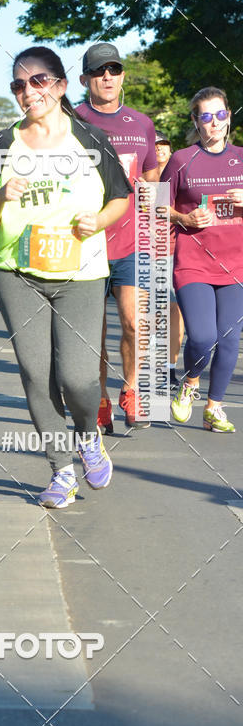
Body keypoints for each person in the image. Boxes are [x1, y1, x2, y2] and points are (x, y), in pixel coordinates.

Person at [0, 46, 131, 508]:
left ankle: (87, 436)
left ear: (60, 86)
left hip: (80, 273)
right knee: (35, 375)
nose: (29, 92)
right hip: (18, 274)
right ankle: (61, 472)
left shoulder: (90, 138)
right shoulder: (4, 145)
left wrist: (98, 223)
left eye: (38, 81)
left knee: (79, 379)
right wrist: (2, 195)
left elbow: (120, 197)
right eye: (19, 85)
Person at [76, 43, 158, 432]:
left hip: (133, 240)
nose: (107, 77)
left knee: (133, 321)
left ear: (123, 75)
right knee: (92, 333)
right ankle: (100, 399)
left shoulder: (142, 123)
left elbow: (153, 176)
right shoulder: (71, 121)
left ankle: (132, 391)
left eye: (113, 69)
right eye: (98, 71)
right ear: (84, 80)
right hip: (86, 242)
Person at [162, 87, 243, 433]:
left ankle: (214, 408)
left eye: (220, 115)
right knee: (203, 336)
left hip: (236, 264)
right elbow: (153, 205)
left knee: (229, 338)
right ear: (195, 121)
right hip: (193, 261)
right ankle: (191, 381)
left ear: (229, 117)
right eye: (206, 117)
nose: (215, 123)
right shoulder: (182, 159)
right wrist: (183, 218)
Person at [155, 131, 184, 390]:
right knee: (152, 312)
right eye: (155, 146)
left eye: (164, 144)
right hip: (146, 251)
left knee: (174, 311)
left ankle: (169, 369)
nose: (160, 149)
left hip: (176, 250)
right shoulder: (140, 178)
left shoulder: (181, 173)